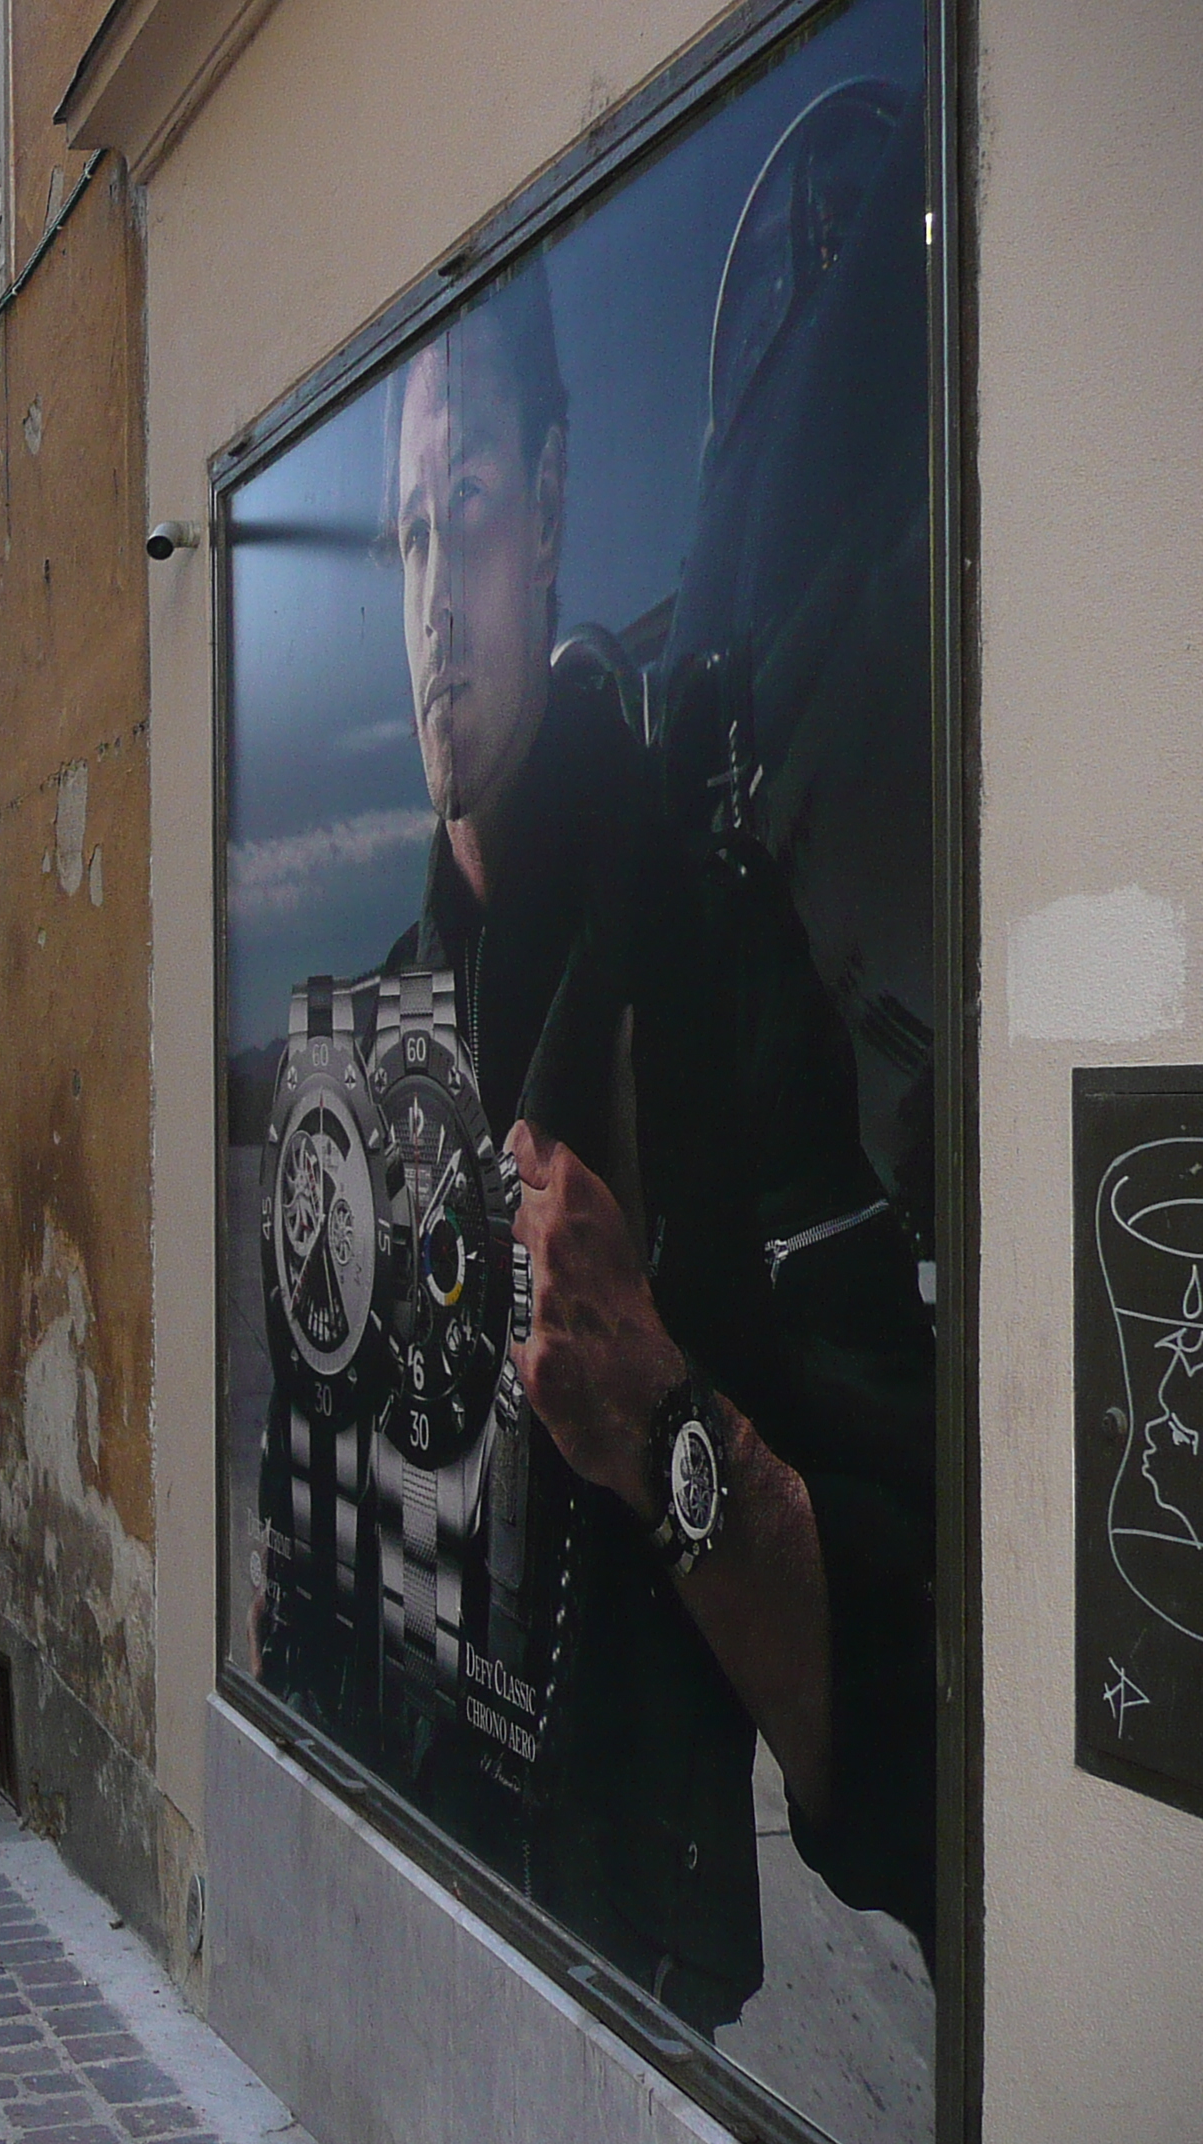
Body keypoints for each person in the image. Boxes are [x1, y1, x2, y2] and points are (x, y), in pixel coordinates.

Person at [371, 259, 935, 2024]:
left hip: (629, 1975)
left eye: (462, 517)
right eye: (401, 543)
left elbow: (914, 1745)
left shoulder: (708, 942)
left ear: (546, 511)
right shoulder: (388, 1005)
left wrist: (666, 1422)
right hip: (416, 1890)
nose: (435, 607)